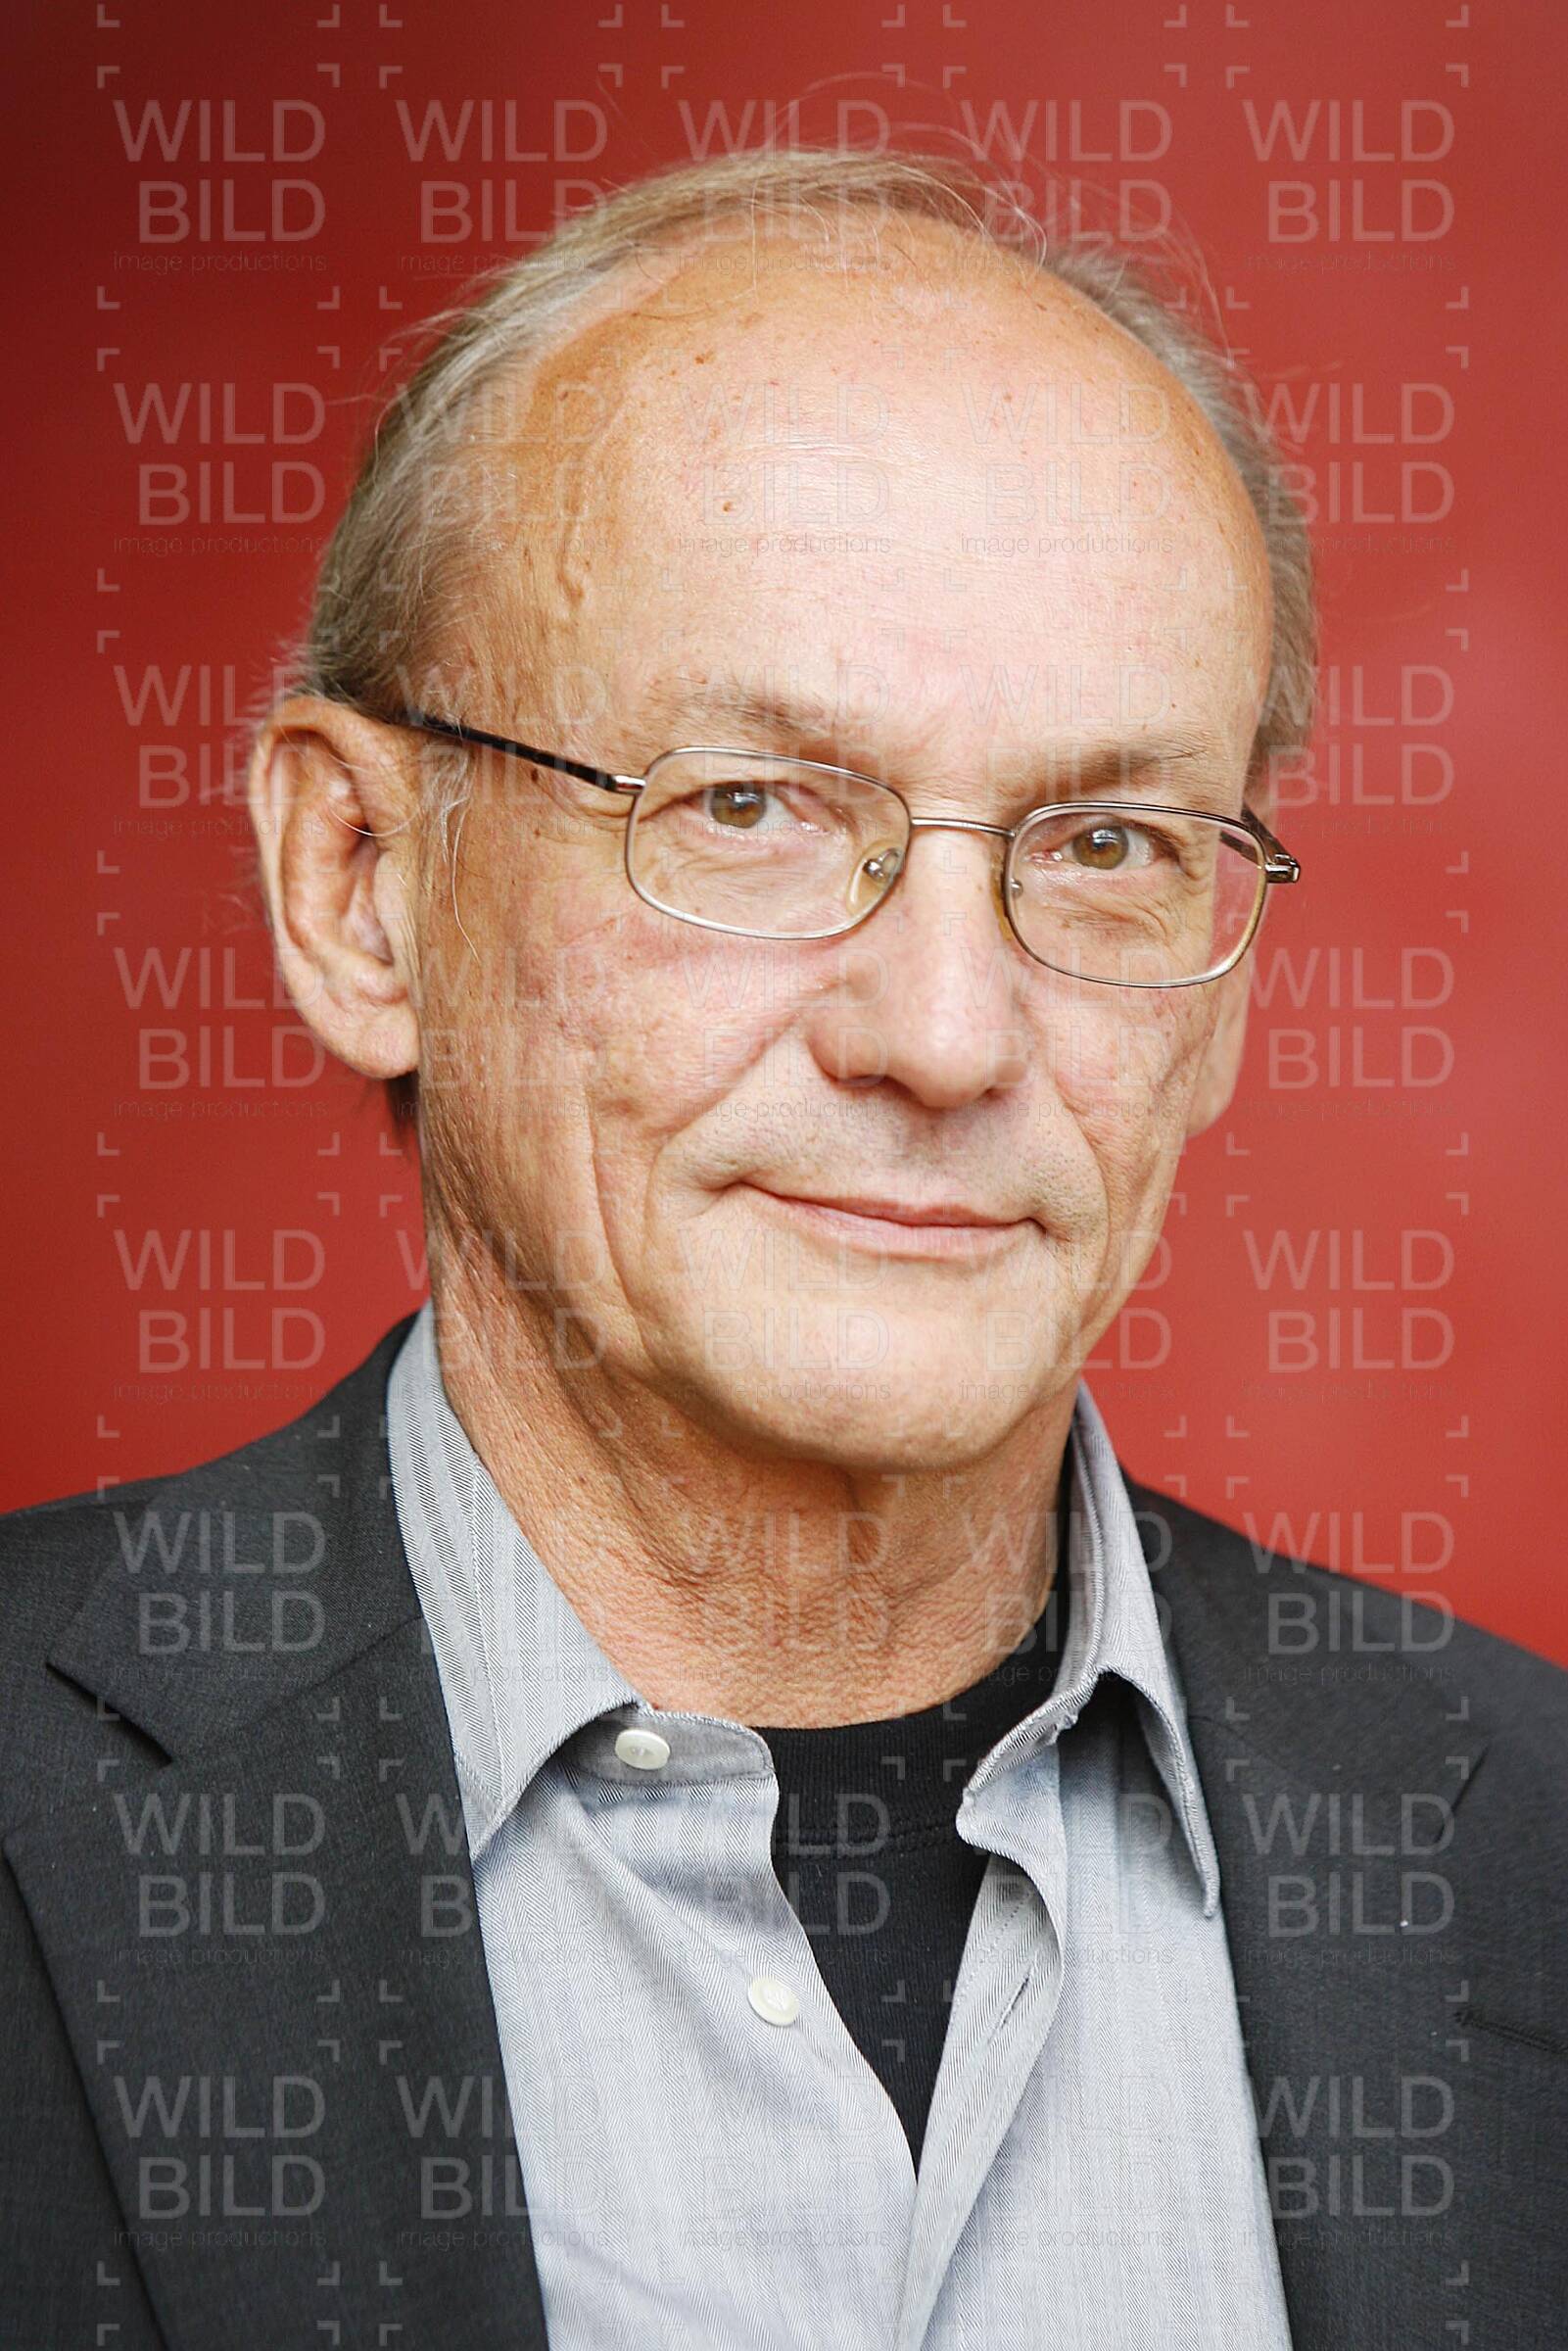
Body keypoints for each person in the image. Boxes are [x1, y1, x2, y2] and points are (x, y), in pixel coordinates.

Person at [2, 145, 1562, 2351]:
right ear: (361, 887)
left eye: (1106, 844)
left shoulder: (1532, 1848)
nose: (944, 1034)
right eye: (747, 806)